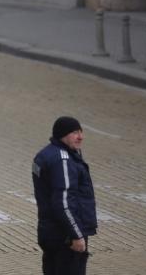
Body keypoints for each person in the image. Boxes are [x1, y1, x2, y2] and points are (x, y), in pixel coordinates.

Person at [32, 116, 97, 275]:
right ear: (62, 135)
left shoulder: (46, 154)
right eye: (75, 132)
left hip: (49, 232)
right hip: (64, 236)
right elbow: (63, 203)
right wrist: (76, 235)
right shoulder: (63, 160)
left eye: (81, 131)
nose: (81, 136)